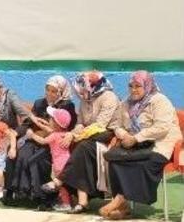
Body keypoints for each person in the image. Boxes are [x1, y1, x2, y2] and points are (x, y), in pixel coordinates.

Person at [101, 71, 182, 220]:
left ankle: (120, 199)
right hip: (137, 144)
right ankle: (124, 208)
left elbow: (162, 127)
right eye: (131, 86)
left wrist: (136, 138)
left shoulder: (159, 101)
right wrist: (124, 135)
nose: (133, 90)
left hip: (160, 144)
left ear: (147, 85)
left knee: (144, 164)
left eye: (138, 86)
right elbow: (116, 125)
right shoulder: (126, 103)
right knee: (115, 160)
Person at [57, 71, 122, 213]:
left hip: (109, 134)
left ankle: (60, 180)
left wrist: (75, 137)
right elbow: (80, 123)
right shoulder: (85, 100)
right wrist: (71, 133)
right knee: (76, 146)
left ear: (92, 85)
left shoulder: (109, 97)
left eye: (82, 88)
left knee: (82, 146)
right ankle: (81, 201)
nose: (79, 92)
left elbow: (100, 125)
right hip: (89, 136)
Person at [8, 75, 77, 207]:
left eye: (54, 91)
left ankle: (43, 196)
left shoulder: (67, 106)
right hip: (36, 138)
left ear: (61, 92)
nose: (49, 94)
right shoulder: (40, 103)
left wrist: (40, 130)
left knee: (37, 159)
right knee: (23, 153)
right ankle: (23, 192)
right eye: (48, 90)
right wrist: (16, 133)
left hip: (53, 144)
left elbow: (66, 129)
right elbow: (28, 123)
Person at [25, 107, 74, 211]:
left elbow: (43, 141)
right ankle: (67, 202)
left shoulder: (54, 136)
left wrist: (32, 135)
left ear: (56, 124)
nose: (49, 120)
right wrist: (40, 123)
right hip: (67, 163)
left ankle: (66, 204)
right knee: (64, 186)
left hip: (58, 165)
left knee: (61, 187)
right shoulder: (63, 134)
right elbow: (49, 129)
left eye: (51, 119)